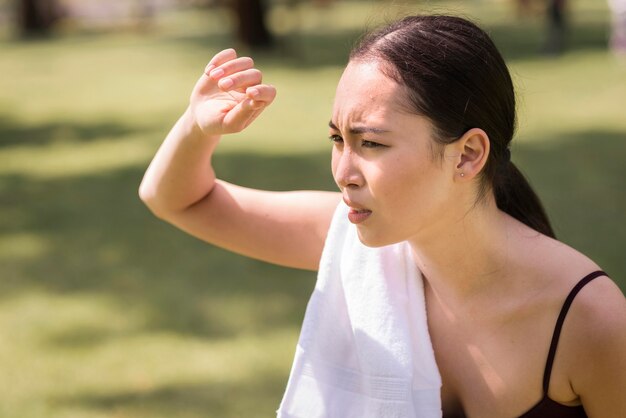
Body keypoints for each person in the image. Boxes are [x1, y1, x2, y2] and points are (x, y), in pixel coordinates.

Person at [139, 15, 626, 417]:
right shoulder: (350, 242)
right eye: (337, 140)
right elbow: (176, 199)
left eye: (370, 143)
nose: (343, 172)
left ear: (467, 155)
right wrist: (195, 127)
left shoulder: (591, 321)